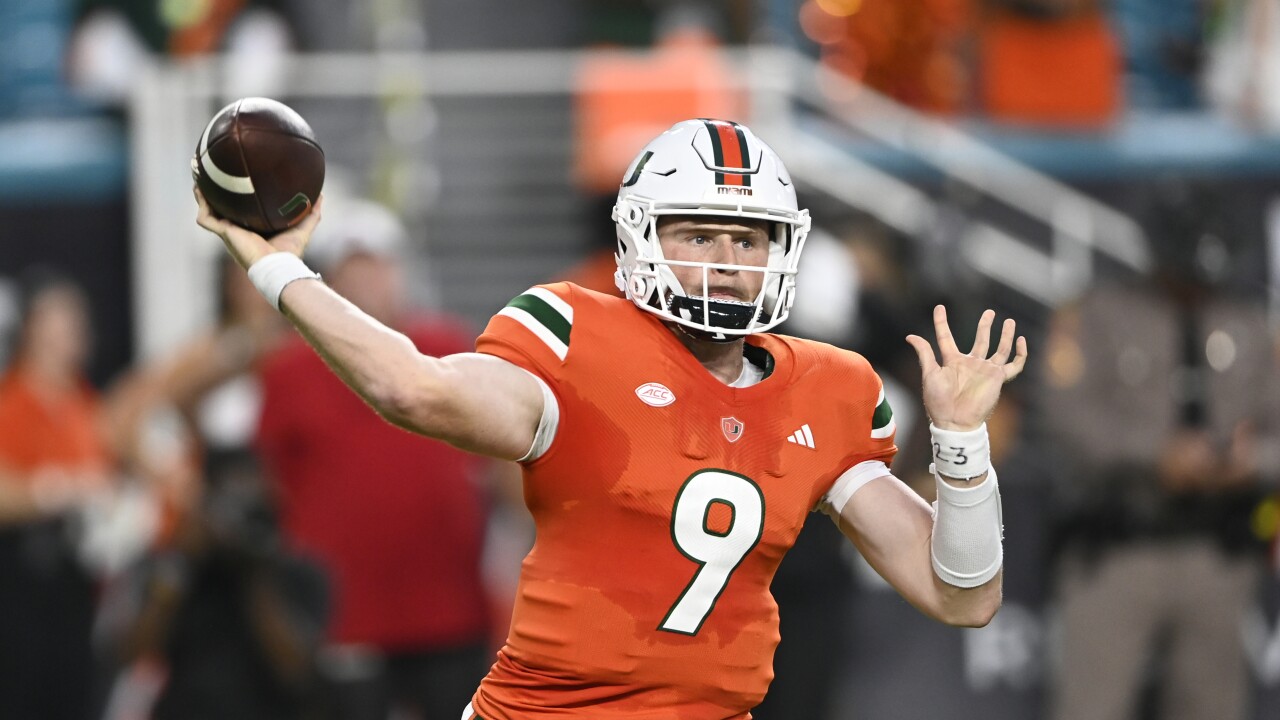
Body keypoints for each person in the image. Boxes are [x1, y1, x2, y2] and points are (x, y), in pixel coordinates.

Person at [195, 118, 1027, 718]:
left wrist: (961, 445)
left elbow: (963, 595)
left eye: (748, 240)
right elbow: (414, 389)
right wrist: (280, 270)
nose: (727, 263)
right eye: (699, 235)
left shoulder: (828, 389)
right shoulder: (574, 341)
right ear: (640, 238)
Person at [1043, 179, 1279, 720]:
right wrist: (1155, 455)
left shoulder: (1247, 325)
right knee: (1091, 706)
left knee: (1211, 707)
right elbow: (1067, 418)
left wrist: (1248, 461)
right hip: (1120, 547)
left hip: (1216, 554)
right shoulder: (1101, 313)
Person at [253, 198, 493, 720]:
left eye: (378, 266)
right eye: (353, 269)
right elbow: (270, 475)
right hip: (345, 616)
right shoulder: (289, 368)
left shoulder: (449, 346)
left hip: (447, 609)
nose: (367, 282)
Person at [0, 270, 115, 720]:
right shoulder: (10, 403)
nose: (72, 334)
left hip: (77, 589)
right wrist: (56, 491)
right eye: (60, 322)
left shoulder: (87, 407)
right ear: (31, 329)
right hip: (18, 588)